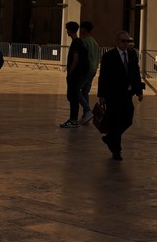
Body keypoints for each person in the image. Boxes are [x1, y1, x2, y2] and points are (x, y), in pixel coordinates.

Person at [96, 30, 143, 160]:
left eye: (128, 41)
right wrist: (102, 95)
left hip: (127, 93)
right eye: (123, 41)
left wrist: (139, 90)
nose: (126, 43)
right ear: (117, 42)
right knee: (115, 121)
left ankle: (110, 137)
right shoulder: (109, 56)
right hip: (113, 94)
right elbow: (103, 77)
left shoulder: (132, 55)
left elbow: (136, 73)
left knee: (128, 119)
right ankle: (116, 150)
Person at [60, 20, 89, 128]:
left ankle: (73, 119)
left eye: (67, 29)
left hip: (75, 75)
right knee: (74, 96)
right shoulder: (79, 42)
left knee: (73, 96)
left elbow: (75, 60)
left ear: (69, 30)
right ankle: (73, 119)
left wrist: (70, 72)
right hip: (78, 74)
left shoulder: (76, 43)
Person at [78, 21, 101, 125]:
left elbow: (82, 58)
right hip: (93, 70)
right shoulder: (94, 42)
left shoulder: (84, 42)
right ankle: (85, 115)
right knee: (85, 91)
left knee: (76, 89)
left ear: (84, 30)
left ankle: (87, 110)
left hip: (86, 70)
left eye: (81, 28)